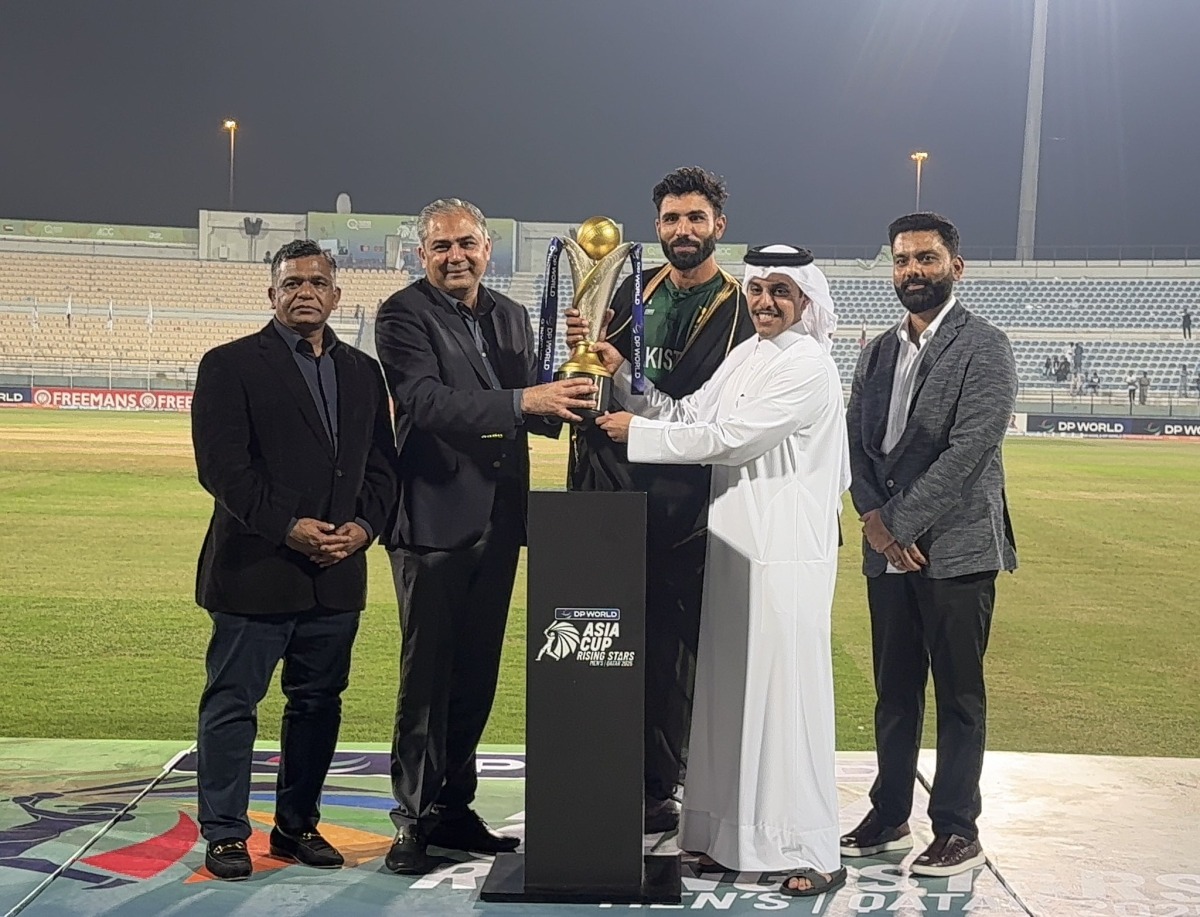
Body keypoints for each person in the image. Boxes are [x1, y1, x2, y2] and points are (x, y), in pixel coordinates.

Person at [590, 245, 849, 898]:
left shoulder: (810, 365)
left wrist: (635, 435)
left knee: (786, 698)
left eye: (780, 293)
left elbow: (733, 436)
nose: (765, 302)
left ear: (807, 303)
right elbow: (690, 414)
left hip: (786, 553)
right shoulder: (748, 354)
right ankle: (725, 837)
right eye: (758, 290)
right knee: (728, 695)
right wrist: (623, 378)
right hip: (737, 544)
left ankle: (810, 845)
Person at [374, 198, 598, 875]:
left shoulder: (510, 315)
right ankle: (412, 818)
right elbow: (427, 402)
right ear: (422, 255)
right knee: (426, 679)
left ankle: (454, 807)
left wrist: (582, 369)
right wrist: (525, 400)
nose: (455, 255)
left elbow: (535, 405)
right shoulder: (401, 314)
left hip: (502, 520)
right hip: (433, 520)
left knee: (475, 674)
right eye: (441, 246)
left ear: (487, 248)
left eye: (466, 243)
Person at [191, 239, 398, 881]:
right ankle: (226, 833)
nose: (304, 292)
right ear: (271, 293)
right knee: (233, 703)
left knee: (317, 705)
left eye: (316, 282)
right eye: (291, 283)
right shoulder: (229, 365)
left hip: (337, 574)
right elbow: (222, 468)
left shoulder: (364, 371)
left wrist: (363, 528)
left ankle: (296, 825)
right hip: (256, 570)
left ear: (336, 295)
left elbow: (384, 468)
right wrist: (289, 527)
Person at [565, 167, 755, 833]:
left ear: (718, 227)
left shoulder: (739, 311)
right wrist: (583, 354)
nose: (683, 231)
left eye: (695, 219)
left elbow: (715, 418)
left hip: (684, 503)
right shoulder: (630, 286)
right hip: (609, 487)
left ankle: (658, 783)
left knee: (671, 649)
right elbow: (601, 369)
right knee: (602, 635)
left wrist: (629, 394)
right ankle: (601, 769)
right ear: (657, 227)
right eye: (672, 219)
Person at [844, 213, 1017, 878]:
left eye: (926, 257)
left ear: (956, 267)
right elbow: (857, 446)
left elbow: (971, 448)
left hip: (957, 548)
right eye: (902, 259)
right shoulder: (876, 351)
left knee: (958, 693)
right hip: (886, 546)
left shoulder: (985, 345)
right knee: (894, 690)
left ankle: (955, 827)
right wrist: (872, 518)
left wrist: (898, 524)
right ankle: (889, 813)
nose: (912, 270)